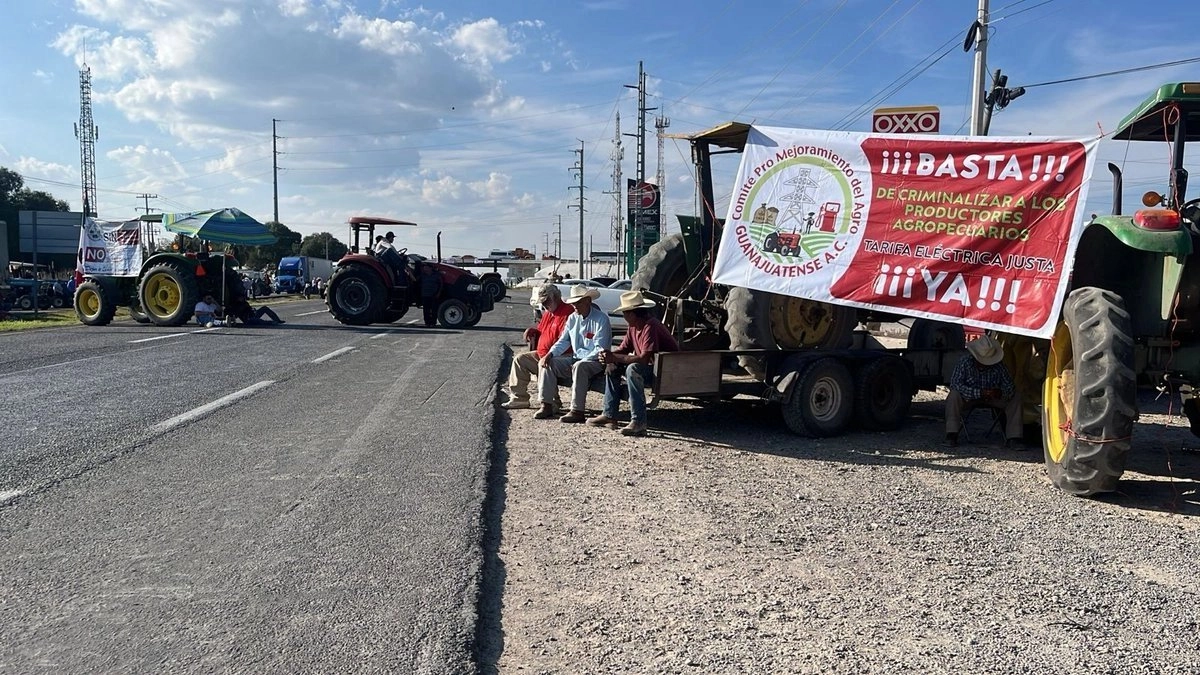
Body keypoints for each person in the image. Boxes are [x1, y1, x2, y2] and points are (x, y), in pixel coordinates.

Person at [587, 291, 680, 436]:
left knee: (633, 369)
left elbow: (644, 358)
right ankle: (609, 415)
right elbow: (624, 349)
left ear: (632, 314)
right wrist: (609, 356)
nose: (624, 316)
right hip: (654, 368)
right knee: (612, 366)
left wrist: (614, 357)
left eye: (625, 313)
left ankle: (639, 421)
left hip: (667, 371)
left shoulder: (651, 326)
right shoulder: (634, 326)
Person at [536, 285, 612, 423]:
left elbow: (600, 348)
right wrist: (550, 354)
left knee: (580, 366)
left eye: (578, 302)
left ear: (588, 301)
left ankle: (577, 410)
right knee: (548, 363)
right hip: (576, 358)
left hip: (595, 361)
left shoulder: (601, 319)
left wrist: (580, 361)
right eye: (573, 303)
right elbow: (564, 340)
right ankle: (546, 404)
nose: (575, 306)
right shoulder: (573, 318)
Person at [944, 333, 1024, 448]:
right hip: (969, 398)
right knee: (953, 395)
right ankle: (951, 434)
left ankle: (1014, 437)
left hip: (993, 398)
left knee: (1016, 397)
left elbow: (1010, 387)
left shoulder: (999, 366)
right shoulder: (964, 362)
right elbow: (956, 384)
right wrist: (979, 393)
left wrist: (1000, 392)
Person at [501, 283, 574, 410]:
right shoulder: (548, 313)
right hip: (543, 354)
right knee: (520, 359)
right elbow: (542, 331)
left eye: (547, 301)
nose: (544, 305)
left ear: (556, 297)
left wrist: (549, 355)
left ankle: (551, 402)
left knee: (544, 364)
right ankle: (519, 399)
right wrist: (532, 331)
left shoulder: (568, 313)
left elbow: (564, 341)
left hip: (560, 356)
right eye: (543, 303)